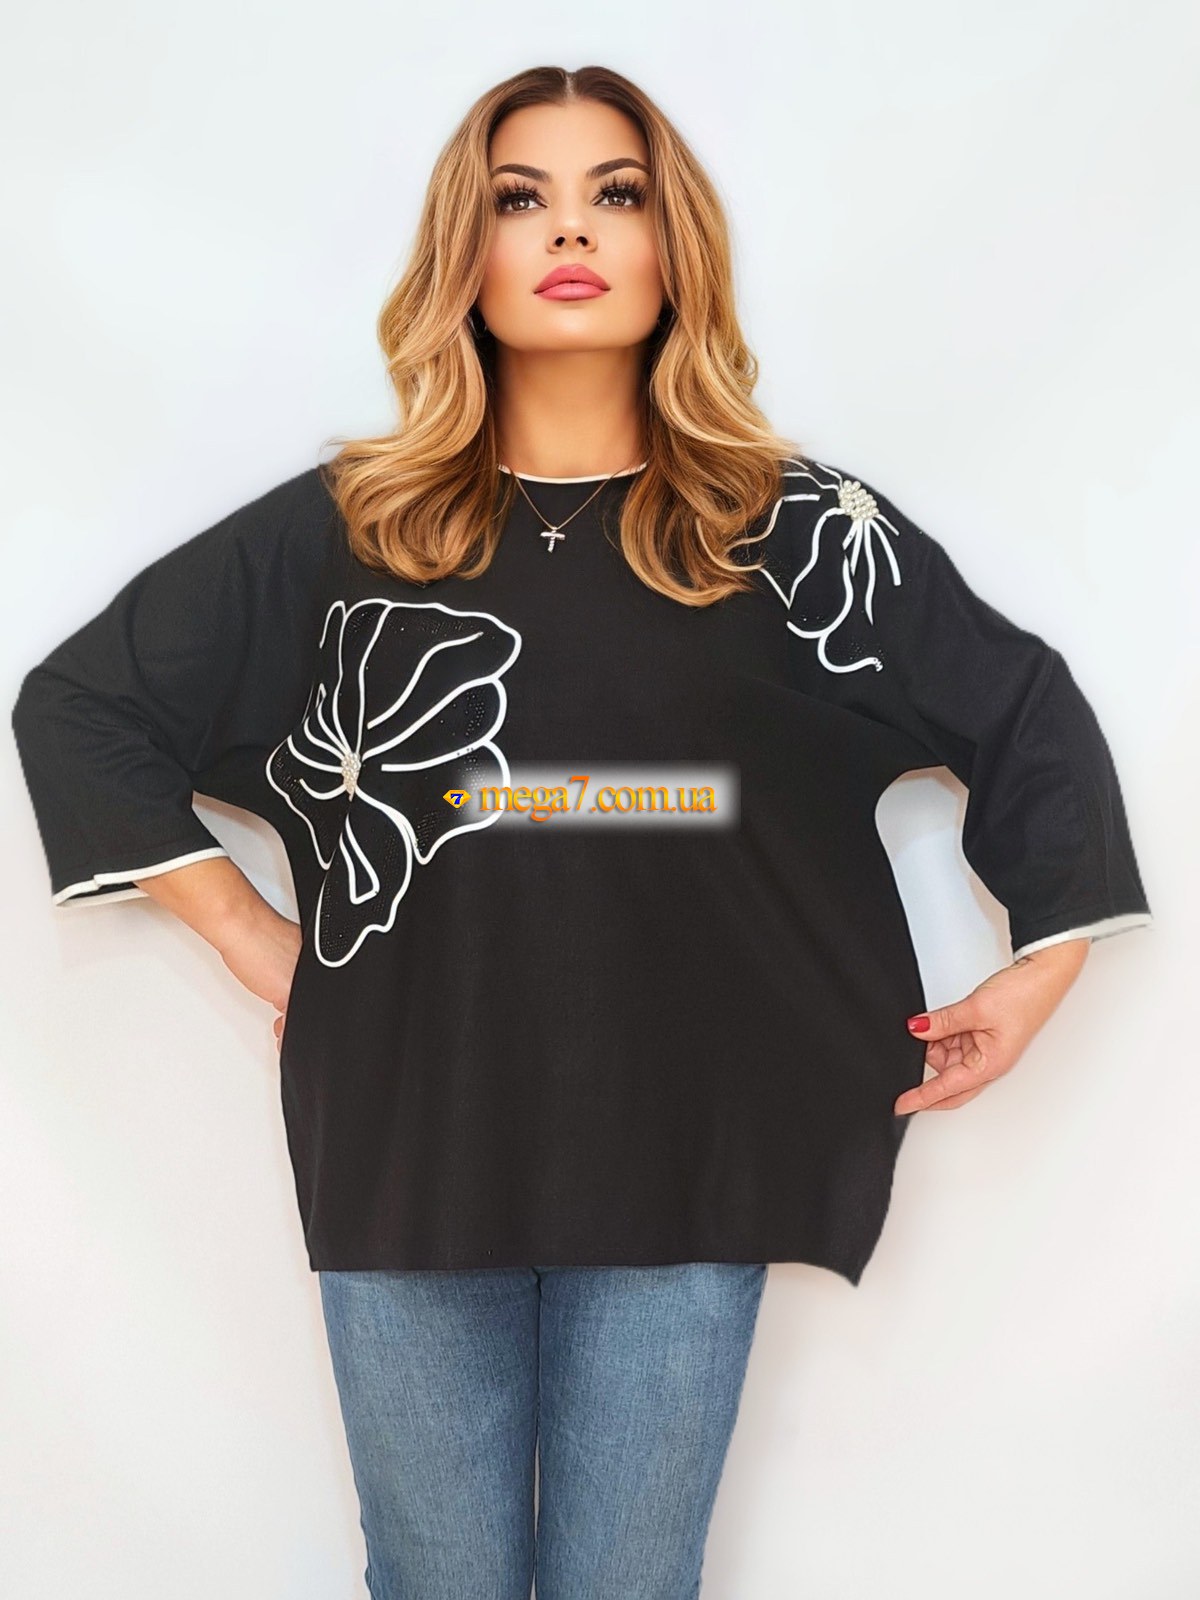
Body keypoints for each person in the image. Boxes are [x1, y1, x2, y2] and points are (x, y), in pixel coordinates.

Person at [10, 64, 1153, 1600]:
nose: (570, 229)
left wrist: (1045, 964)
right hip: (412, 1142)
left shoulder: (779, 529)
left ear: (673, 244)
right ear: (463, 252)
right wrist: (252, 936)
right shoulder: (352, 529)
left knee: (632, 1581)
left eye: (615, 193)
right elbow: (80, 705)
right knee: (437, 1581)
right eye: (519, 197)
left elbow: (1022, 713)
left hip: (691, 1148)